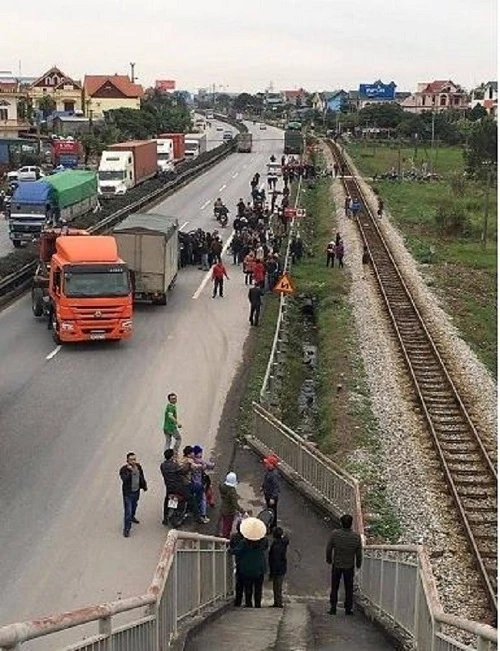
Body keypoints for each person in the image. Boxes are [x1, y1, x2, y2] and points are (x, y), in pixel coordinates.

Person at [326, 513, 363, 615]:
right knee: (348, 587)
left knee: (335, 586)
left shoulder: (335, 534)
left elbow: (329, 548)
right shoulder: (356, 537)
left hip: (337, 564)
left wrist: (329, 559)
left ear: (341, 523)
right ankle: (348, 608)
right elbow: (358, 553)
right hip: (349, 565)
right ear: (351, 524)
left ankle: (333, 607)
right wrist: (358, 564)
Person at [160, 449, 204, 525]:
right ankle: (198, 518)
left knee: (166, 501)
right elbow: (183, 471)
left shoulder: (163, 465)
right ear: (172, 456)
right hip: (178, 487)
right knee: (191, 499)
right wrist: (188, 465)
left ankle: (165, 519)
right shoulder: (174, 465)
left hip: (169, 487)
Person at [235, 517, 269, 608]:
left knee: (248, 588)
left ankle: (248, 603)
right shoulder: (263, 541)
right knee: (258, 588)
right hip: (259, 568)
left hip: (246, 568)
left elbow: (237, 551)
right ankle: (257, 604)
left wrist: (231, 549)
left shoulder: (244, 542)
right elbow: (266, 546)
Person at [119, 452, 148, 538]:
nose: (133, 461)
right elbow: (124, 479)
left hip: (136, 491)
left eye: (134, 459)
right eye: (131, 460)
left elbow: (141, 477)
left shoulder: (138, 467)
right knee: (128, 511)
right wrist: (130, 472)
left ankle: (132, 517)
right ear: (127, 461)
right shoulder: (124, 469)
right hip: (128, 493)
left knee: (134, 505)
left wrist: (144, 486)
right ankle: (126, 529)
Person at [191, 445, 215, 521]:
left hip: (190, 483)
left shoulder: (190, 460)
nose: (201, 454)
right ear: (197, 453)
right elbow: (210, 465)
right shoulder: (199, 461)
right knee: (203, 498)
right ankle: (203, 515)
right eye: (200, 453)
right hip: (198, 483)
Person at [219, 472, 245, 538]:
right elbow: (235, 504)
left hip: (223, 508)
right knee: (228, 526)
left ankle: (223, 534)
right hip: (229, 511)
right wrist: (242, 511)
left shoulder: (222, 486)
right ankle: (225, 538)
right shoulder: (232, 491)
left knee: (224, 524)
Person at [268, 527, 289, 608]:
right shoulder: (283, 542)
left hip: (277, 568)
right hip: (282, 566)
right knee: (278, 586)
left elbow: (274, 558)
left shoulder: (276, 544)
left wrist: (272, 572)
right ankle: (277, 602)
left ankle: (278, 602)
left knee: (277, 586)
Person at [229, 519, 246, 607]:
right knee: (248, 585)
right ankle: (248, 602)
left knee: (239, 584)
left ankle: (238, 602)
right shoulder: (248, 538)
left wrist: (231, 551)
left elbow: (232, 547)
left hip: (239, 562)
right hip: (247, 562)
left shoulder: (234, 537)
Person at [261, 455, 280, 529]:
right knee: (269, 510)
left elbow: (276, 487)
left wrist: (273, 498)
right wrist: (262, 487)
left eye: (268, 463)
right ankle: (270, 523)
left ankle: (272, 526)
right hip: (267, 494)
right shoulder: (268, 472)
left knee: (272, 511)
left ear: (272, 465)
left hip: (271, 496)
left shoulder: (274, 475)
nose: (266, 464)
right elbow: (266, 481)